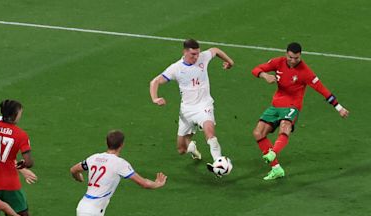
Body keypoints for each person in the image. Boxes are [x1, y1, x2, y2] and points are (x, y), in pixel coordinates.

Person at [251, 42, 349, 180]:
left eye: (296, 58)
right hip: (275, 106)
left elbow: (322, 89)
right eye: (291, 57)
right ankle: (276, 168)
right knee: (258, 133)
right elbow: (255, 69)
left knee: (285, 127)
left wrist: (339, 107)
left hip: (292, 106)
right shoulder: (278, 62)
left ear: (300, 56)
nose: (293, 60)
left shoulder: (305, 72)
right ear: (286, 54)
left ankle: (273, 152)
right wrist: (265, 75)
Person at [149, 38, 234, 176]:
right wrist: (155, 98)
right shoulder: (176, 68)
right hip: (187, 111)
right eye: (193, 54)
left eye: (197, 53)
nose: (196, 57)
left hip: (204, 105)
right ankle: (192, 147)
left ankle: (218, 163)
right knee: (181, 149)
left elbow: (215, 50)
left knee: (210, 132)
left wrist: (230, 62)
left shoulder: (203, 58)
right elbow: (155, 81)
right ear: (185, 52)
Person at [70, 130, 167, 216]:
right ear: (122, 144)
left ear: (106, 142)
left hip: (83, 207)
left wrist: (78, 178)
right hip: (92, 213)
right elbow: (144, 183)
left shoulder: (94, 158)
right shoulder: (119, 163)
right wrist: (157, 184)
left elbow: (74, 170)